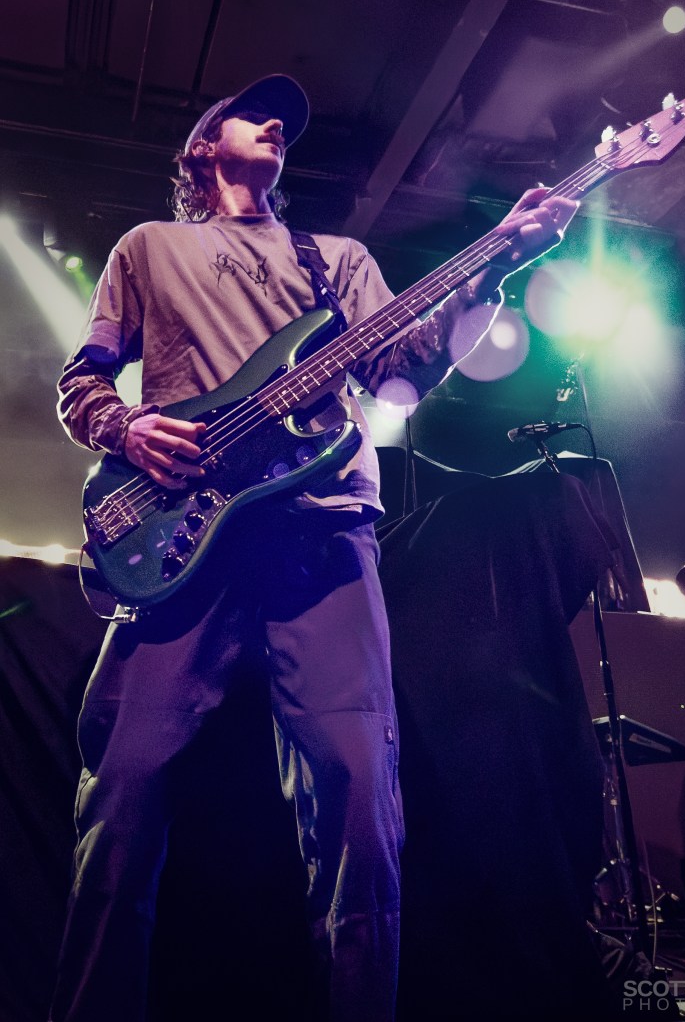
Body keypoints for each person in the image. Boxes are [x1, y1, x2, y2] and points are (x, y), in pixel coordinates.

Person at [49, 73, 579, 1022]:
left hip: (322, 533)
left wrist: (495, 268)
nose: (276, 126)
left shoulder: (337, 259)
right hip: (181, 545)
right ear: (202, 146)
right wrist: (125, 428)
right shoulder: (148, 248)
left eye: (286, 123)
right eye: (253, 114)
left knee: (361, 807)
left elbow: (403, 375)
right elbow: (82, 381)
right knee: (119, 800)